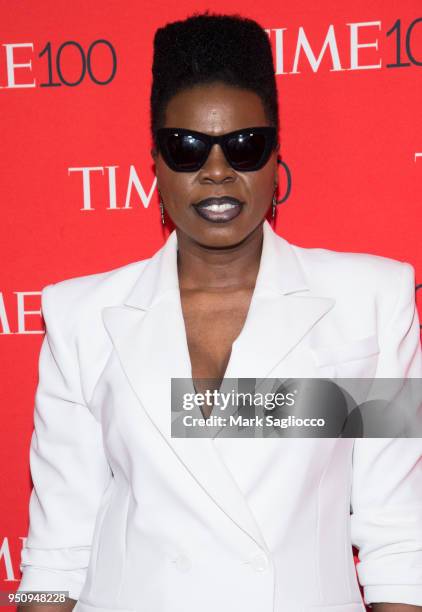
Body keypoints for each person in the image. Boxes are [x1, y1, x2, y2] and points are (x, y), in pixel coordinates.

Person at [17, 12, 422, 612]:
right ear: (154, 163)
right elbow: (57, 555)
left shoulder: (370, 303)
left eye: (244, 145)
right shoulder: (82, 316)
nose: (216, 171)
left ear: (275, 157)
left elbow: (400, 544)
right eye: (186, 148)